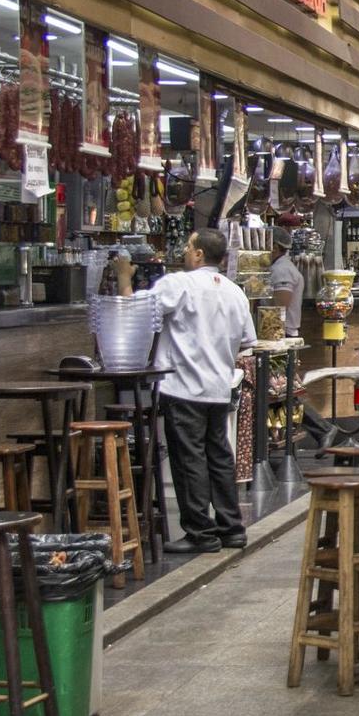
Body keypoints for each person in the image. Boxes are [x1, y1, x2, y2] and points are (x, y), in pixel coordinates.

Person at [115, 229, 255, 554]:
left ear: (199, 254)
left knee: (189, 458)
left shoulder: (178, 284)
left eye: (189, 247)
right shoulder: (235, 292)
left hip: (183, 385)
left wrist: (124, 277)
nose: (185, 252)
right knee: (219, 456)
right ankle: (231, 528)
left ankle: (200, 533)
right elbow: (248, 339)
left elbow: (132, 310)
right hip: (219, 387)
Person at [265, 231, 304, 339]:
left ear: (275, 247)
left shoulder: (282, 270)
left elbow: (279, 308)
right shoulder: (279, 266)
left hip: (282, 333)